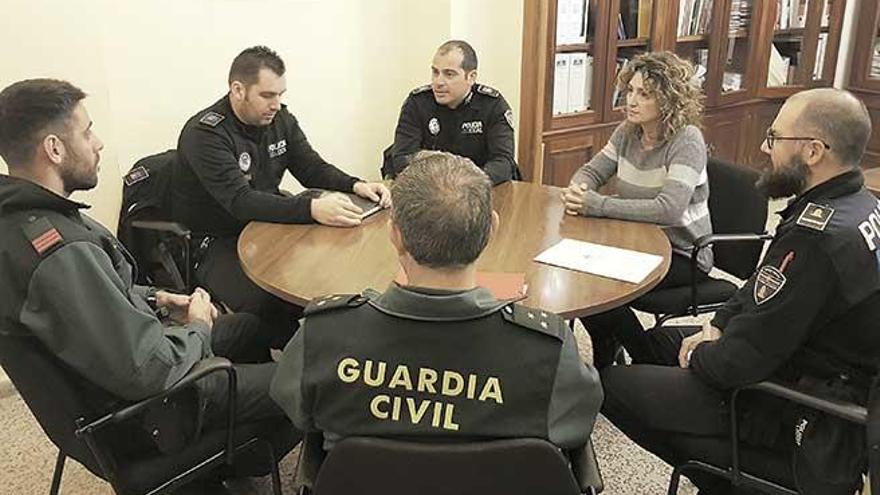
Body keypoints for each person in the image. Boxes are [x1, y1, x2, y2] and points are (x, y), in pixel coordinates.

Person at [0, 79, 298, 489]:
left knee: (250, 327)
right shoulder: (57, 252)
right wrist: (197, 328)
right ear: (54, 149)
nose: (98, 142)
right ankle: (230, 446)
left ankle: (233, 448)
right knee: (307, 380)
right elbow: (150, 370)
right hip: (152, 414)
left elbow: (99, 294)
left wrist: (158, 298)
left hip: (120, 384)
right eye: (86, 132)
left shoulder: (23, 223)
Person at [602, 88, 879, 494]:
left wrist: (702, 353)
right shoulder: (858, 204)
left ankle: (722, 479)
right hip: (805, 358)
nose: (765, 148)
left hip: (800, 404)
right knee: (661, 341)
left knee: (611, 386)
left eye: (775, 138)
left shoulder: (817, 239)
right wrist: (717, 323)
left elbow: (739, 364)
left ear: (814, 151)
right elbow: (763, 287)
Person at [270, 151, 602, 454]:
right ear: (491, 231)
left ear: (394, 234)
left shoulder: (324, 335)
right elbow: (574, 424)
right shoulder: (547, 351)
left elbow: (296, 409)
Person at [172, 45, 391, 348]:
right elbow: (241, 202)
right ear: (238, 90)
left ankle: (317, 353)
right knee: (272, 302)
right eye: (267, 95)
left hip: (269, 227)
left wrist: (355, 185)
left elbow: (311, 167)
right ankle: (277, 369)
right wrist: (312, 208)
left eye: (280, 95)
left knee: (323, 284)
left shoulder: (279, 120)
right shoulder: (206, 134)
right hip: (216, 241)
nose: (276, 104)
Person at [560, 51, 713, 368]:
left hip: (683, 253)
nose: (631, 100)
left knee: (600, 288)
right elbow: (590, 172)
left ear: (669, 100)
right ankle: (607, 350)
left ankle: (645, 356)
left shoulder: (687, 140)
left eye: (645, 94)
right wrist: (580, 190)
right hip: (633, 240)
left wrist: (598, 205)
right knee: (581, 276)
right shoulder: (627, 131)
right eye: (630, 90)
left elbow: (669, 209)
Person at [381, 40, 520, 185]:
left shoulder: (492, 105)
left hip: (478, 189)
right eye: (435, 72)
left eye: (449, 74)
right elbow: (402, 158)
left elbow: (503, 162)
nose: (438, 82)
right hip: (431, 189)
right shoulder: (417, 103)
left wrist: (464, 184)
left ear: (471, 77)